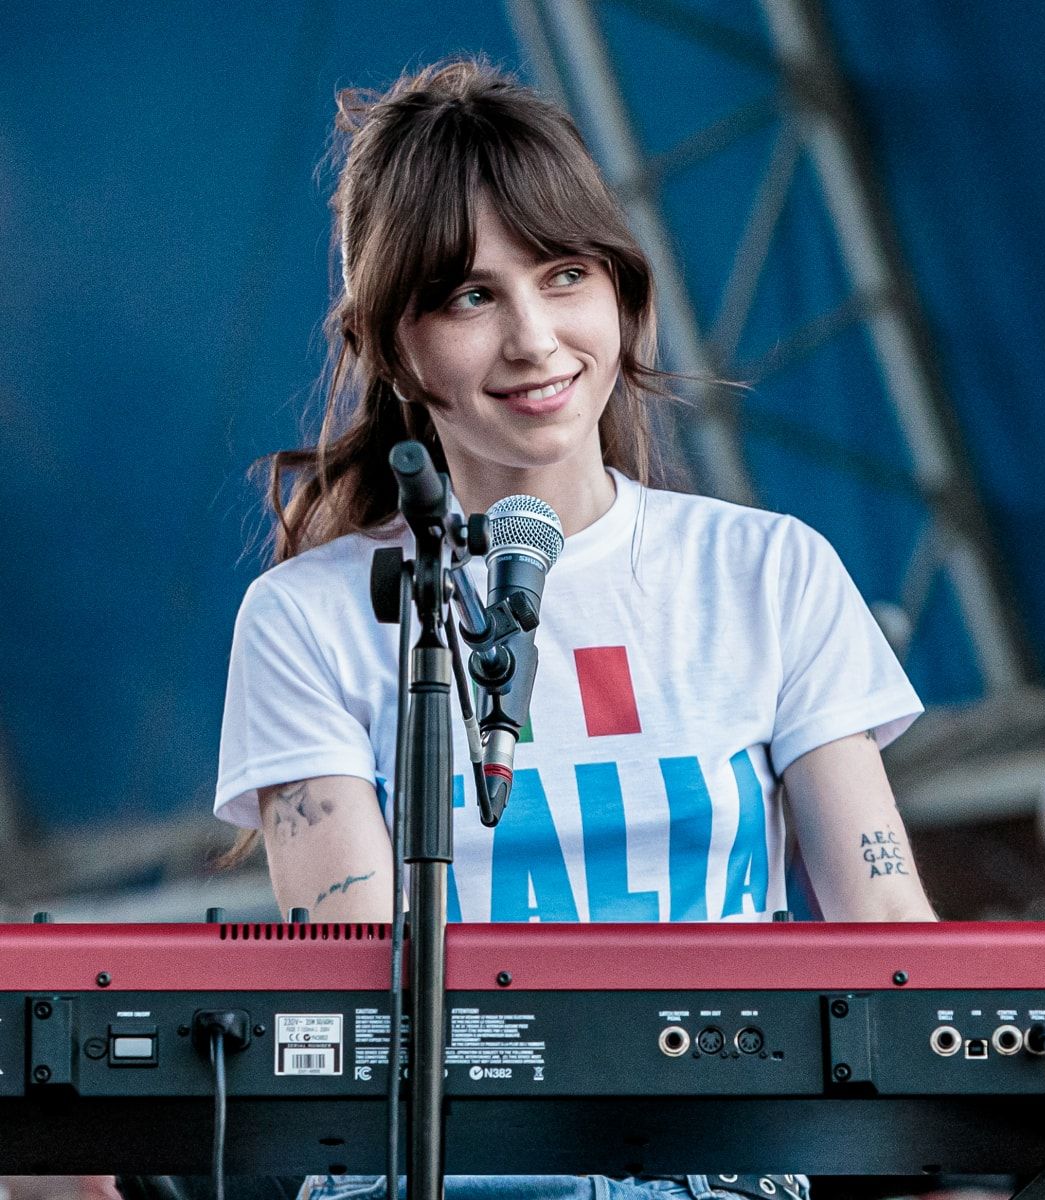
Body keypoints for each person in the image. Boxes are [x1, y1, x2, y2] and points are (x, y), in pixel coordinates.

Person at [214, 58, 935, 1200]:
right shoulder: (310, 619)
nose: (536, 339)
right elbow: (353, 993)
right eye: (468, 296)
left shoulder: (769, 571)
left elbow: (891, 936)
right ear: (391, 343)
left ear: (622, 292)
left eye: (563, 274)